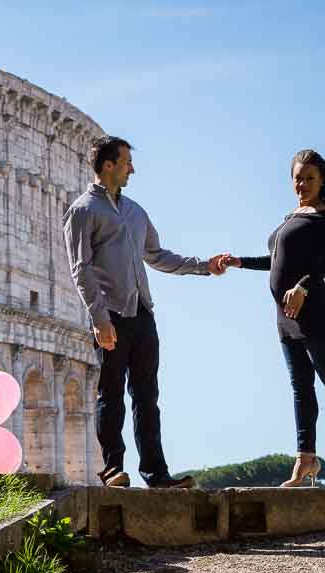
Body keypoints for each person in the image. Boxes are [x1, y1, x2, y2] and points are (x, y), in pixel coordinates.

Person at [62, 135, 226, 488]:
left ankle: (156, 474)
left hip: (142, 314)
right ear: (108, 165)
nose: (132, 169)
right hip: (111, 316)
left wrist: (203, 266)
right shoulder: (82, 210)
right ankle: (112, 469)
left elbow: (157, 256)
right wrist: (99, 319)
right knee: (111, 395)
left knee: (147, 397)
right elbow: (81, 268)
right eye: (126, 163)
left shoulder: (136, 211)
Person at [218, 149, 325, 487]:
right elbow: (276, 260)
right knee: (301, 388)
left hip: (313, 310)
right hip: (285, 316)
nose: (302, 184)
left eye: (309, 178)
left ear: (321, 181)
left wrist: (303, 287)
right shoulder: (292, 216)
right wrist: (239, 262)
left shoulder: (322, 217)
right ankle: (305, 459)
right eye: (298, 178)